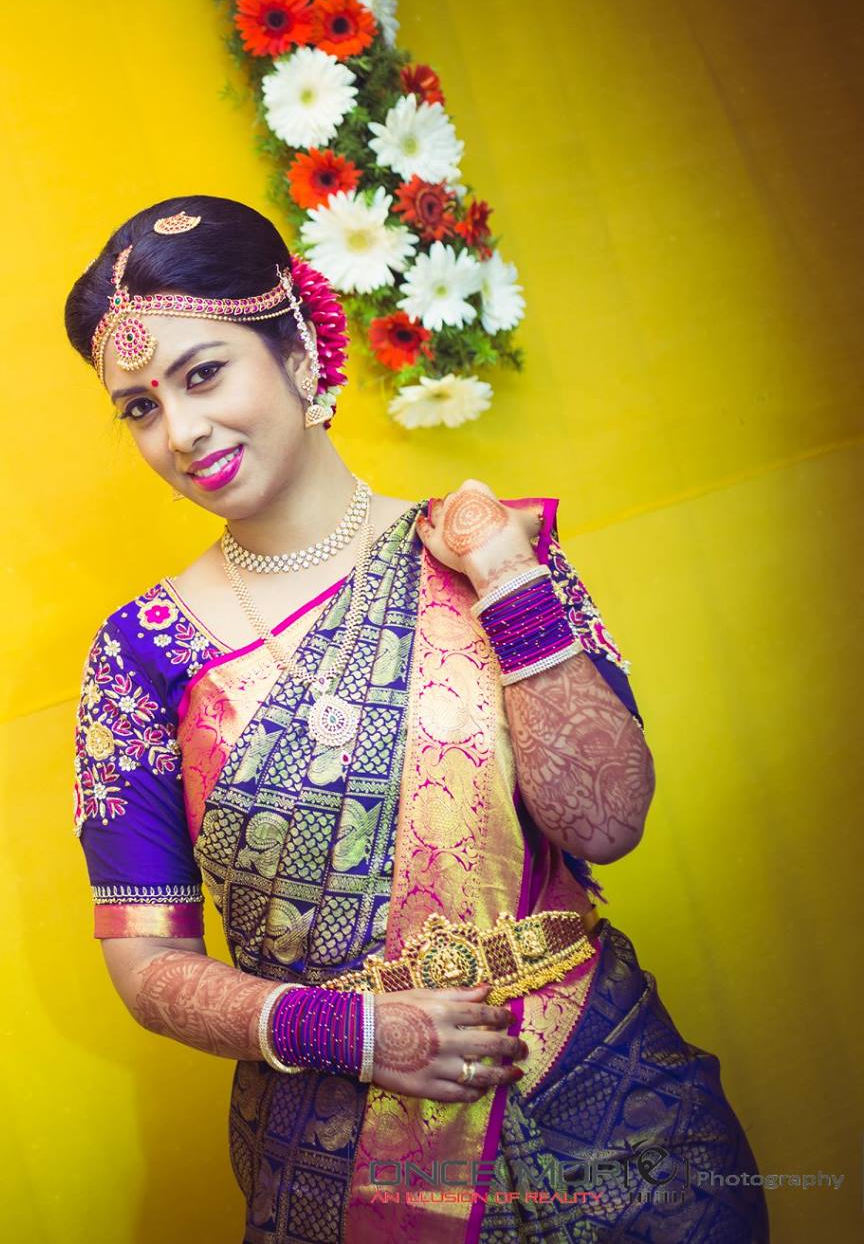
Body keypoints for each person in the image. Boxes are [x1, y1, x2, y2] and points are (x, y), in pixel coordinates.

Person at [62, 196, 767, 1242]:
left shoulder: (482, 553)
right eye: (138, 406)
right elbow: (142, 964)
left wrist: (508, 587)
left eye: (202, 373)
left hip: (605, 1110)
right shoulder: (143, 655)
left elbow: (607, 824)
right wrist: (338, 1029)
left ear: (299, 353)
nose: (180, 431)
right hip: (342, 1160)